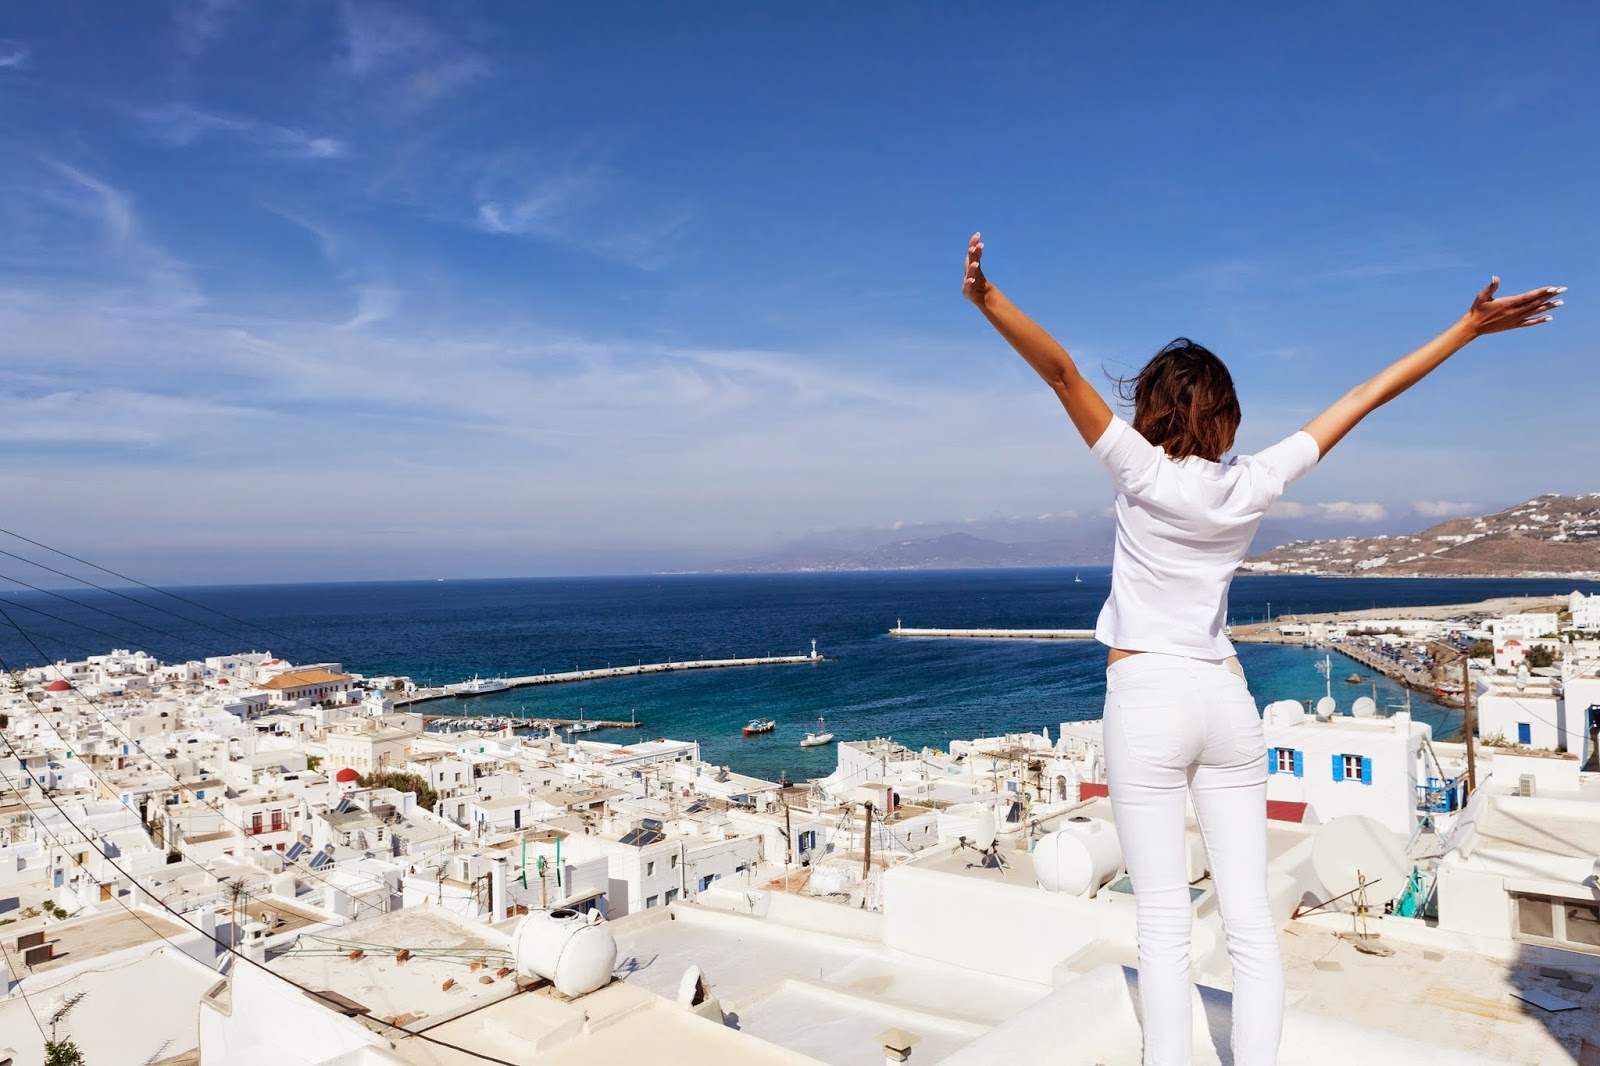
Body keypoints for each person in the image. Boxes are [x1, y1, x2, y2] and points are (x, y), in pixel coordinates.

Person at [960, 231, 1562, 1066]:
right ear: (1226, 415)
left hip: (1147, 699)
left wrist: (986, 298)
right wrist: (1465, 329)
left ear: (1153, 410)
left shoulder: (1140, 471)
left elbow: (1061, 372)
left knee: (1163, 924)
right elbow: (1364, 396)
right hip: (1227, 699)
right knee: (1249, 925)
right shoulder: (1253, 482)